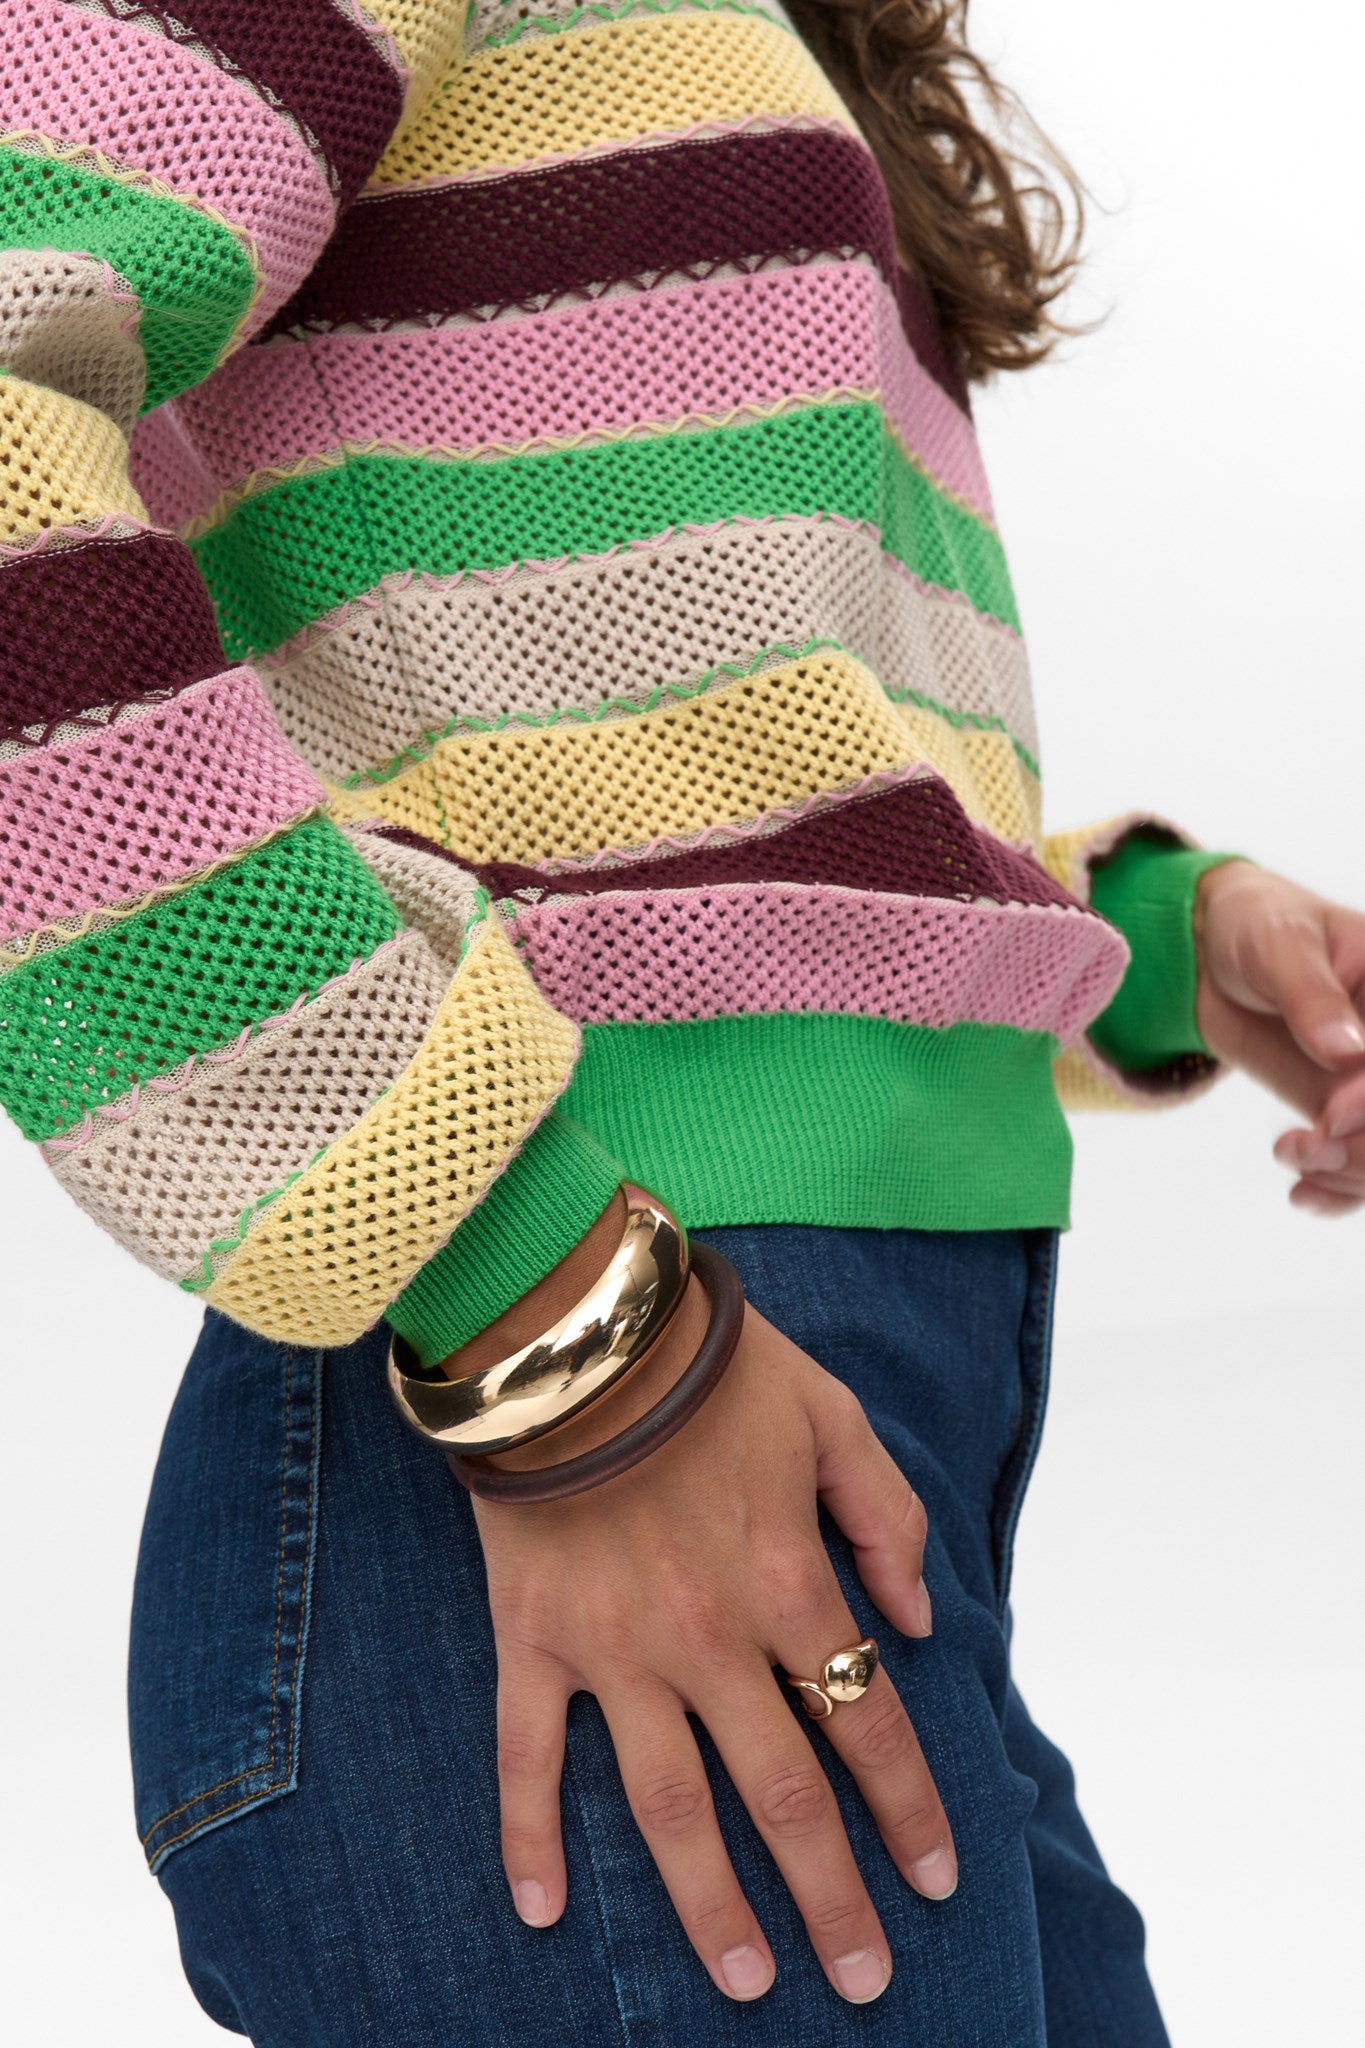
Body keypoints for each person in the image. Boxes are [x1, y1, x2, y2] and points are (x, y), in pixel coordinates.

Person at [1, 1, 1361, 2040]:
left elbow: (657, 785)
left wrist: (1158, 938)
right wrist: (551, 1325)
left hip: (801, 1456)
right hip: (563, 1431)